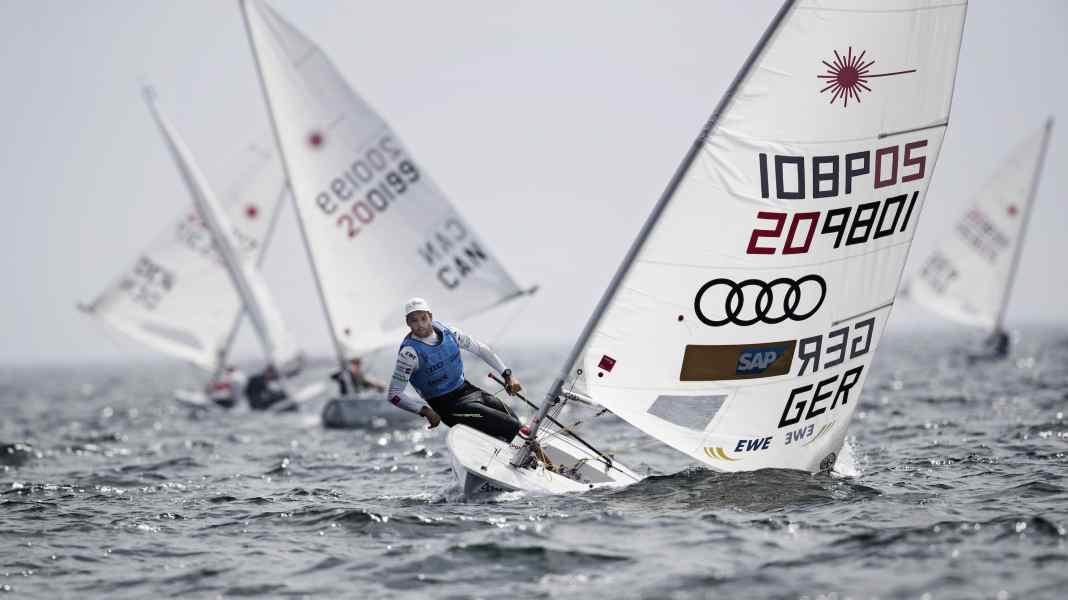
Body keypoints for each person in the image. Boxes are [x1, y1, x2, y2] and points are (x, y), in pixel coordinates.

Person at [388, 297, 523, 442]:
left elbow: (480, 349)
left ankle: (529, 456)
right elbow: (394, 395)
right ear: (408, 322)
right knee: (512, 426)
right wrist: (425, 411)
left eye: (423, 318)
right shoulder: (409, 354)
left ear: (431, 317)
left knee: (513, 418)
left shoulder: (451, 333)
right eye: (414, 321)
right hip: (448, 407)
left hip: (469, 390)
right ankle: (531, 457)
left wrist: (507, 375)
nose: (420, 325)